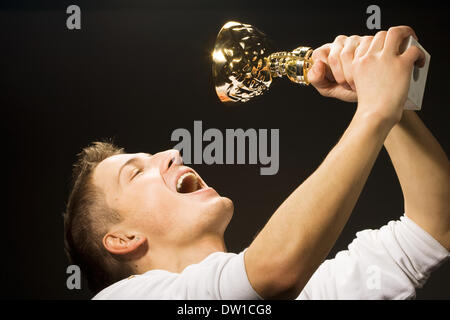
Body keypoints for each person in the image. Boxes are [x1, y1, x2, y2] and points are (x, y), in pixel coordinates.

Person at [63, 26, 449, 299]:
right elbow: (274, 273)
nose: (172, 153)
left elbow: (436, 228)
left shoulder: (309, 291)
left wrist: (391, 103)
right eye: (136, 172)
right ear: (123, 239)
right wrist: (375, 111)